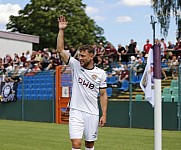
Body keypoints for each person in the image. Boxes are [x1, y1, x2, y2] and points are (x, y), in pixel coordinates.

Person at [57, 16, 108, 150]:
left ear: (92, 56)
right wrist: (61, 31)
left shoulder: (101, 73)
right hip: (75, 111)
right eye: (79, 55)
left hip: (92, 113)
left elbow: (103, 95)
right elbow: (60, 50)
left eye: (83, 56)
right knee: (76, 144)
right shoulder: (75, 65)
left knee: (90, 144)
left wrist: (104, 114)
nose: (80, 58)